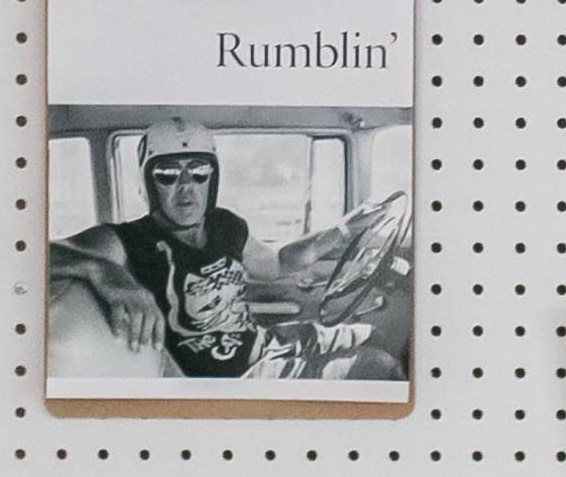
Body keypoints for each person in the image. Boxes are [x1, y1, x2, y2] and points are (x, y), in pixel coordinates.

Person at [49, 116, 403, 380]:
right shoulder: (126, 240)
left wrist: (342, 230)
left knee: (377, 334)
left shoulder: (225, 225)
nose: (186, 187)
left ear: (212, 178)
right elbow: (38, 252)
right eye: (168, 175)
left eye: (199, 171)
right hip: (232, 380)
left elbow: (277, 262)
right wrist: (107, 272)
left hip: (265, 343)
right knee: (379, 368)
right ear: (148, 183)